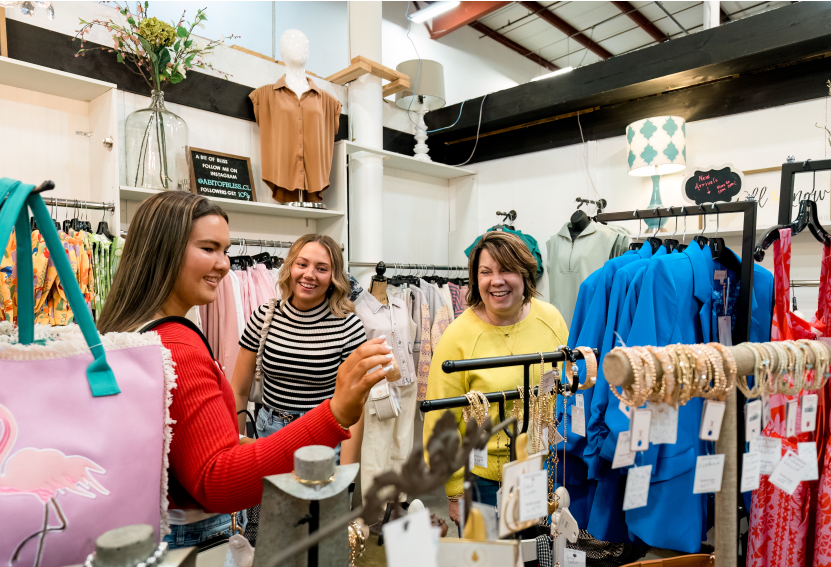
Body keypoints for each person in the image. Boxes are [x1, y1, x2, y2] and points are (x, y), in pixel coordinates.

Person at [97, 191, 393, 548]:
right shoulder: (181, 345)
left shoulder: (133, 331)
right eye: (209, 248)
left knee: (315, 539)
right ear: (166, 250)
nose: (224, 264)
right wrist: (334, 414)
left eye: (225, 250)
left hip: (162, 521)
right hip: (194, 530)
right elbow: (217, 481)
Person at [423, 231, 569, 526]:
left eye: (506, 270)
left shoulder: (550, 320)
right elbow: (442, 422)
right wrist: (453, 491)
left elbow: (567, 389)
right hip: (484, 482)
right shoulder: (458, 337)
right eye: (486, 272)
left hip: (545, 472)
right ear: (475, 280)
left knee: (544, 564)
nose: (496, 281)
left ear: (526, 275)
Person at [231, 234, 367, 464]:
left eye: (321, 268)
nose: (309, 275)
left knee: (320, 501)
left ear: (333, 277)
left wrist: (348, 476)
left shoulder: (348, 326)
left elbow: (356, 407)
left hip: (322, 435)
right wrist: (237, 444)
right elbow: (239, 389)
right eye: (302, 264)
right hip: (269, 433)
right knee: (273, 501)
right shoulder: (265, 315)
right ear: (290, 267)